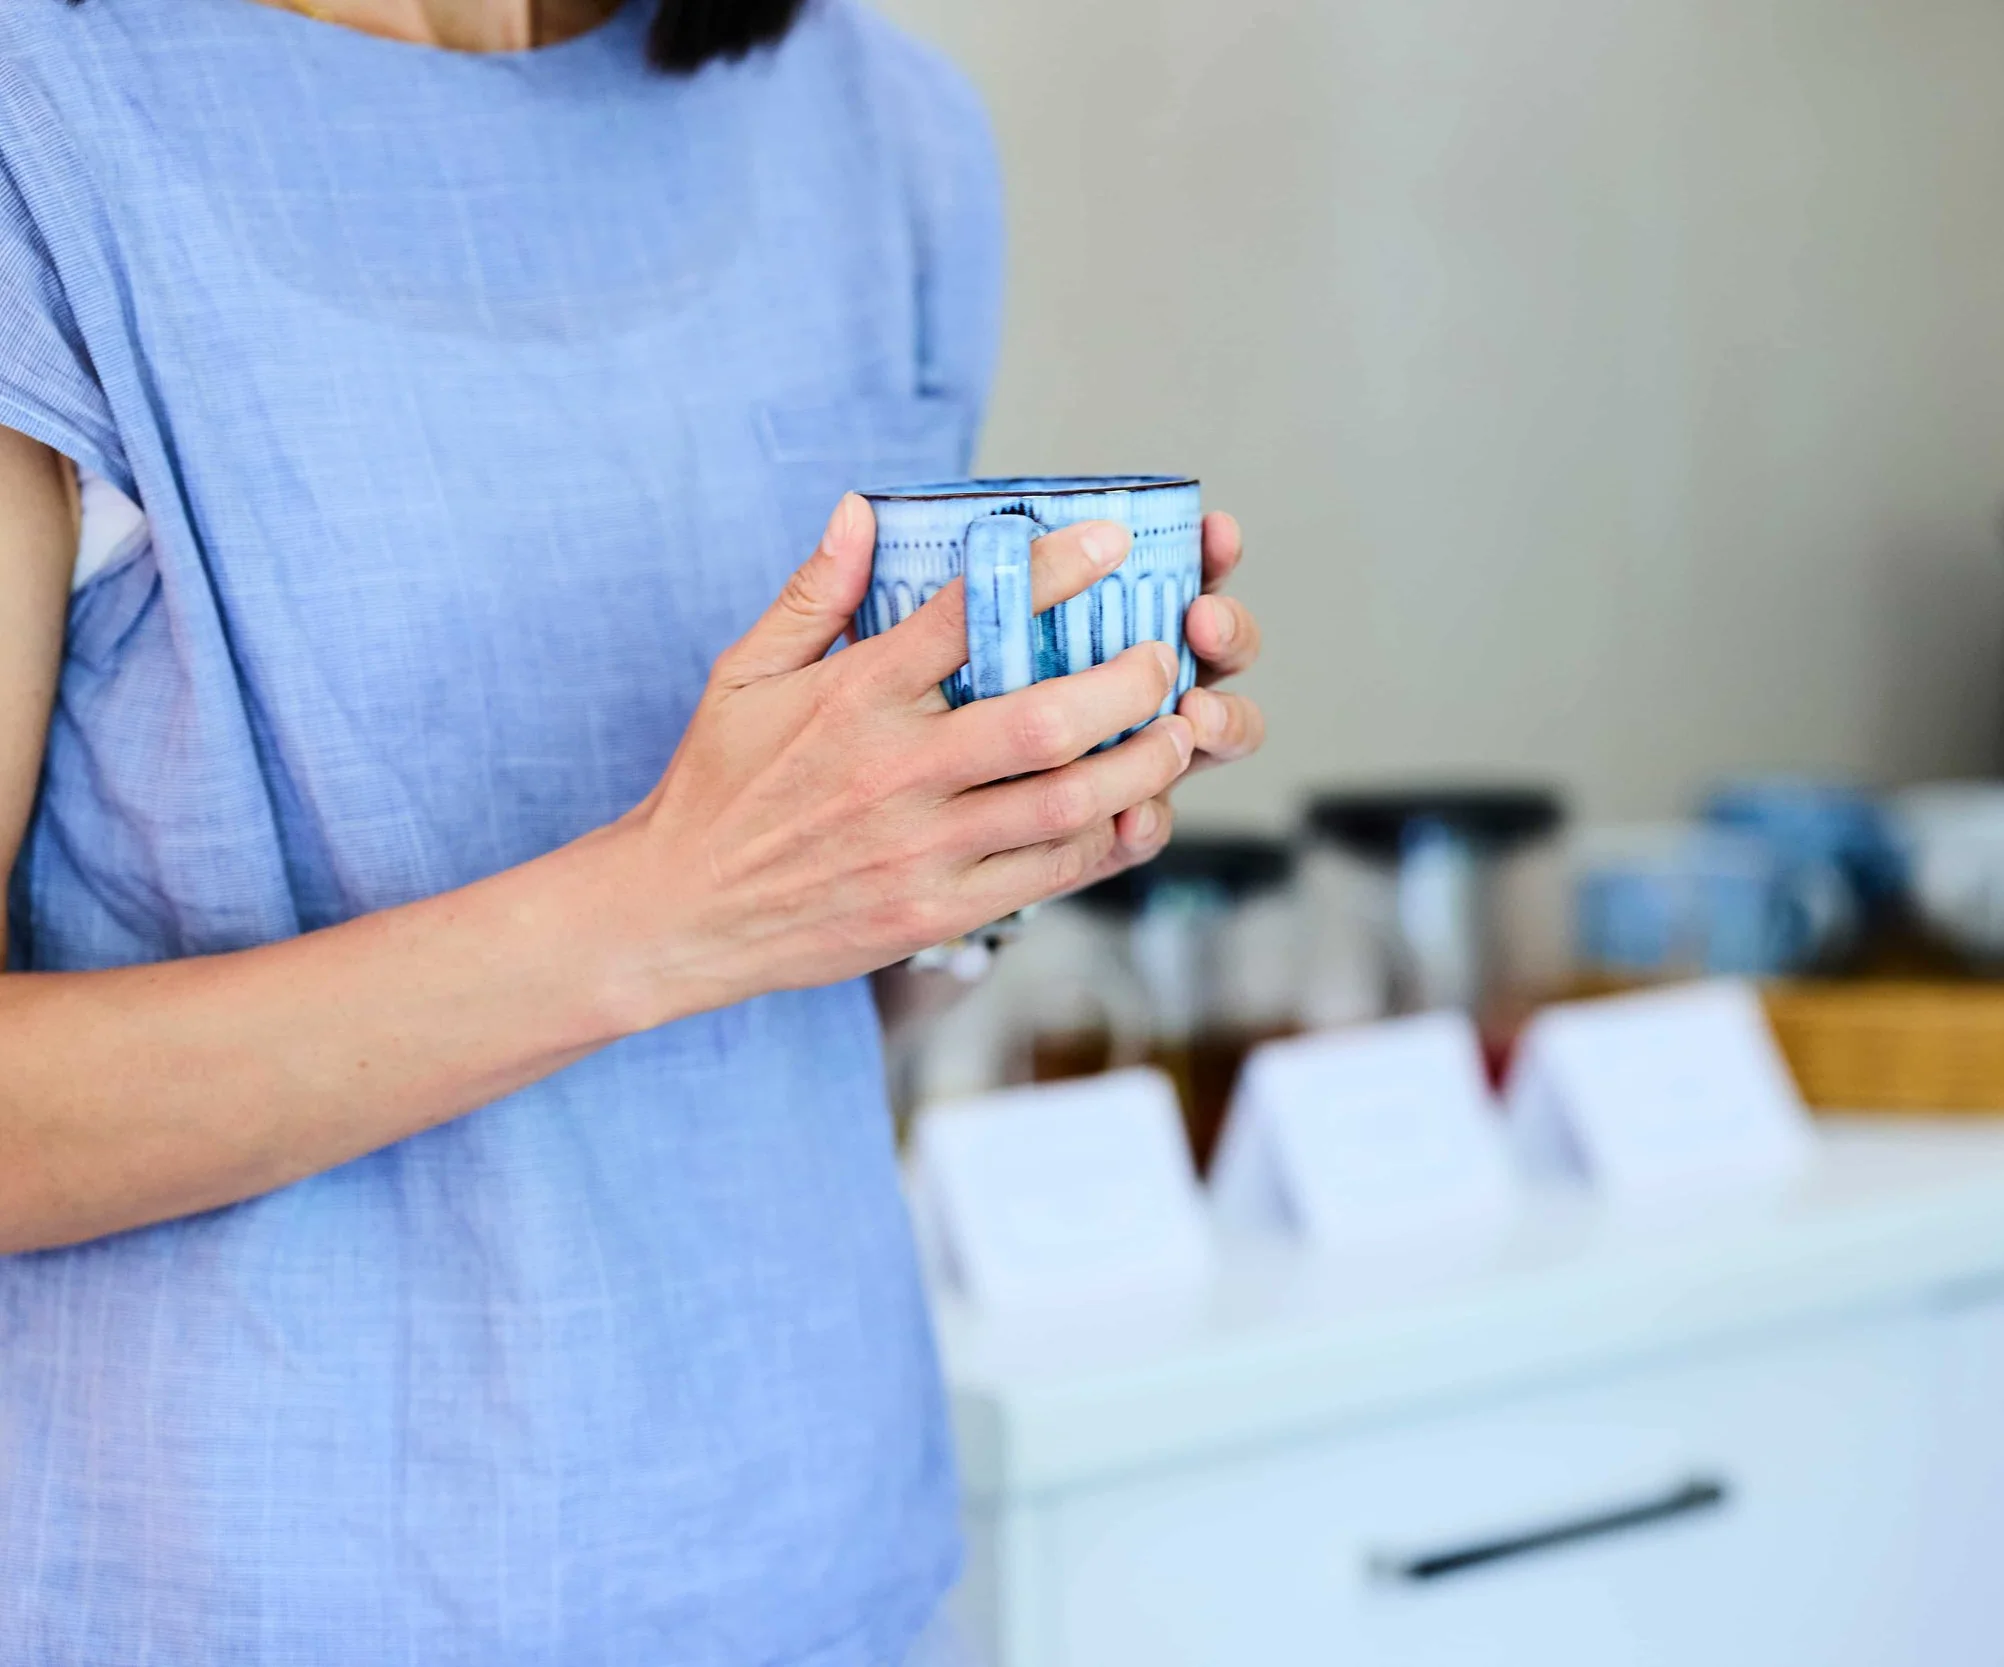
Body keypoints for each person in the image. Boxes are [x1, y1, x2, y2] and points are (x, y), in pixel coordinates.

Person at [0, 0, 1266, 1658]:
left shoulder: (884, 136)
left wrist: (987, 836)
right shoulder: (49, 125)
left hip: (827, 1571)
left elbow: (807, 985)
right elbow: (713, 909)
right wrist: (673, 902)